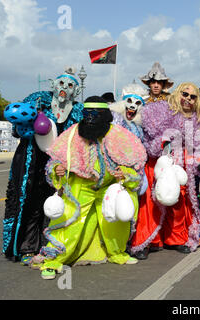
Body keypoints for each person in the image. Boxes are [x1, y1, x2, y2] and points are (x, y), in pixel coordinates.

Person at [31, 96, 147, 279]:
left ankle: (117, 253)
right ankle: (53, 260)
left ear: (105, 116)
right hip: (81, 187)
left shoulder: (119, 134)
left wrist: (124, 173)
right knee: (68, 223)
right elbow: (54, 161)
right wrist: (57, 169)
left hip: (108, 188)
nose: (91, 119)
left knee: (114, 222)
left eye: (96, 114)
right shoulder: (72, 134)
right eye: (87, 114)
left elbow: (134, 167)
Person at [2, 67, 83, 265]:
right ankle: (27, 247)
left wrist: (66, 164)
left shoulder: (77, 112)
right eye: (61, 83)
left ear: (76, 91)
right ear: (53, 85)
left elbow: (76, 143)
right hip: (31, 160)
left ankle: (49, 245)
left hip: (58, 164)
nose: (64, 88)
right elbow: (17, 130)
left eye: (70, 85)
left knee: (55, 204)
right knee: (28, 201)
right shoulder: (38, 102)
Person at [129, 82, 200, 257]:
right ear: (178, 94)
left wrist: (199, 161)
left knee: (178, 203)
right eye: (185, 94)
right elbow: (149, 140)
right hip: (157, 163)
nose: (188, 99)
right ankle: (148, 241)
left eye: (193, 96)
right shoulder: (160, 111)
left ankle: (176, 239)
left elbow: (198, 147)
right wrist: (164, 141)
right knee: (152, 203)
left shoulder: (197, 120)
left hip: (182, 165)